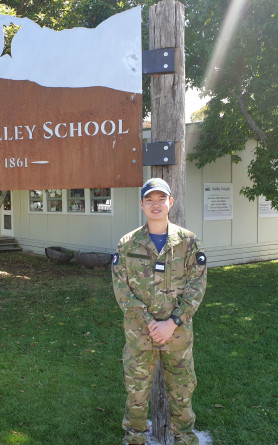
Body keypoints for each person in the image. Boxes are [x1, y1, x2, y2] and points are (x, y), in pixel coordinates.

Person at [112, 178, 207, 445]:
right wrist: (151, 322)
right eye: (150, 200)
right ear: (141, 204)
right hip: (140, 336)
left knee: (182, 392)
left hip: (177, 336)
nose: (156, 205)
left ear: (170, 203)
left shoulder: (188, 242)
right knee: (137, 394)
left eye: (161, 199)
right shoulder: (128, 244)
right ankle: (135, 439)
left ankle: (184, 439)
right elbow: (122, 290)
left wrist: (172, 322)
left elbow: (197, 286)